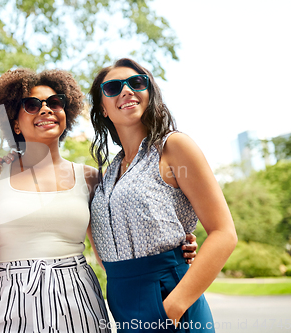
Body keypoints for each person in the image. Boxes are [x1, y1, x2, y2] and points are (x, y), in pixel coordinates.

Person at [0, 68, 198, 333]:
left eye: (55, 102)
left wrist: (174, 249)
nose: (46, 110)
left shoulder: (91, 177)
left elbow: (108, 248)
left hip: (78, 296)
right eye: (32, 105)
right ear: (14, 123)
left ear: (65, 114)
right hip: (13, 298)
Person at [89, 58, 238, 332]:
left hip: (170, 300)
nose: (126, 91)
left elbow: (224, 233)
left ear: (150, 93)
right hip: (122, 303)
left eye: (136, 83)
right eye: (112, 87)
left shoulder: (173, 147)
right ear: (103, 108)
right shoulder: (107, 175)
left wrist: (172, 308)